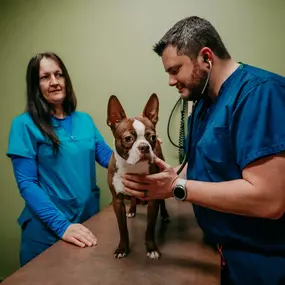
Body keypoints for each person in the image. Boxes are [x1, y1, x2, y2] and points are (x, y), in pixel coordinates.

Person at [122, 16, 285, 284]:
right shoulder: (204, 103)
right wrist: (167, 175)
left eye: (175, 70)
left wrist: (176, 188)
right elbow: (207, 165)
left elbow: (270, 199)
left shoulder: (260, 94)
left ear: (205, 57)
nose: (171, 82)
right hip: (220, 252)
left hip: (262, 262)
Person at [7, 52, 113, 266]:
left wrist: (140, 152)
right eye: (45, 77)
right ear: (35, 85)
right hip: (46, 232)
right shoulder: (24, 125)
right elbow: (27, 184)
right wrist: (62, 226)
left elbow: (108, 158)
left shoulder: (84, 120)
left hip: (84, 224)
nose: (54, 82)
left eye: (59, 74)